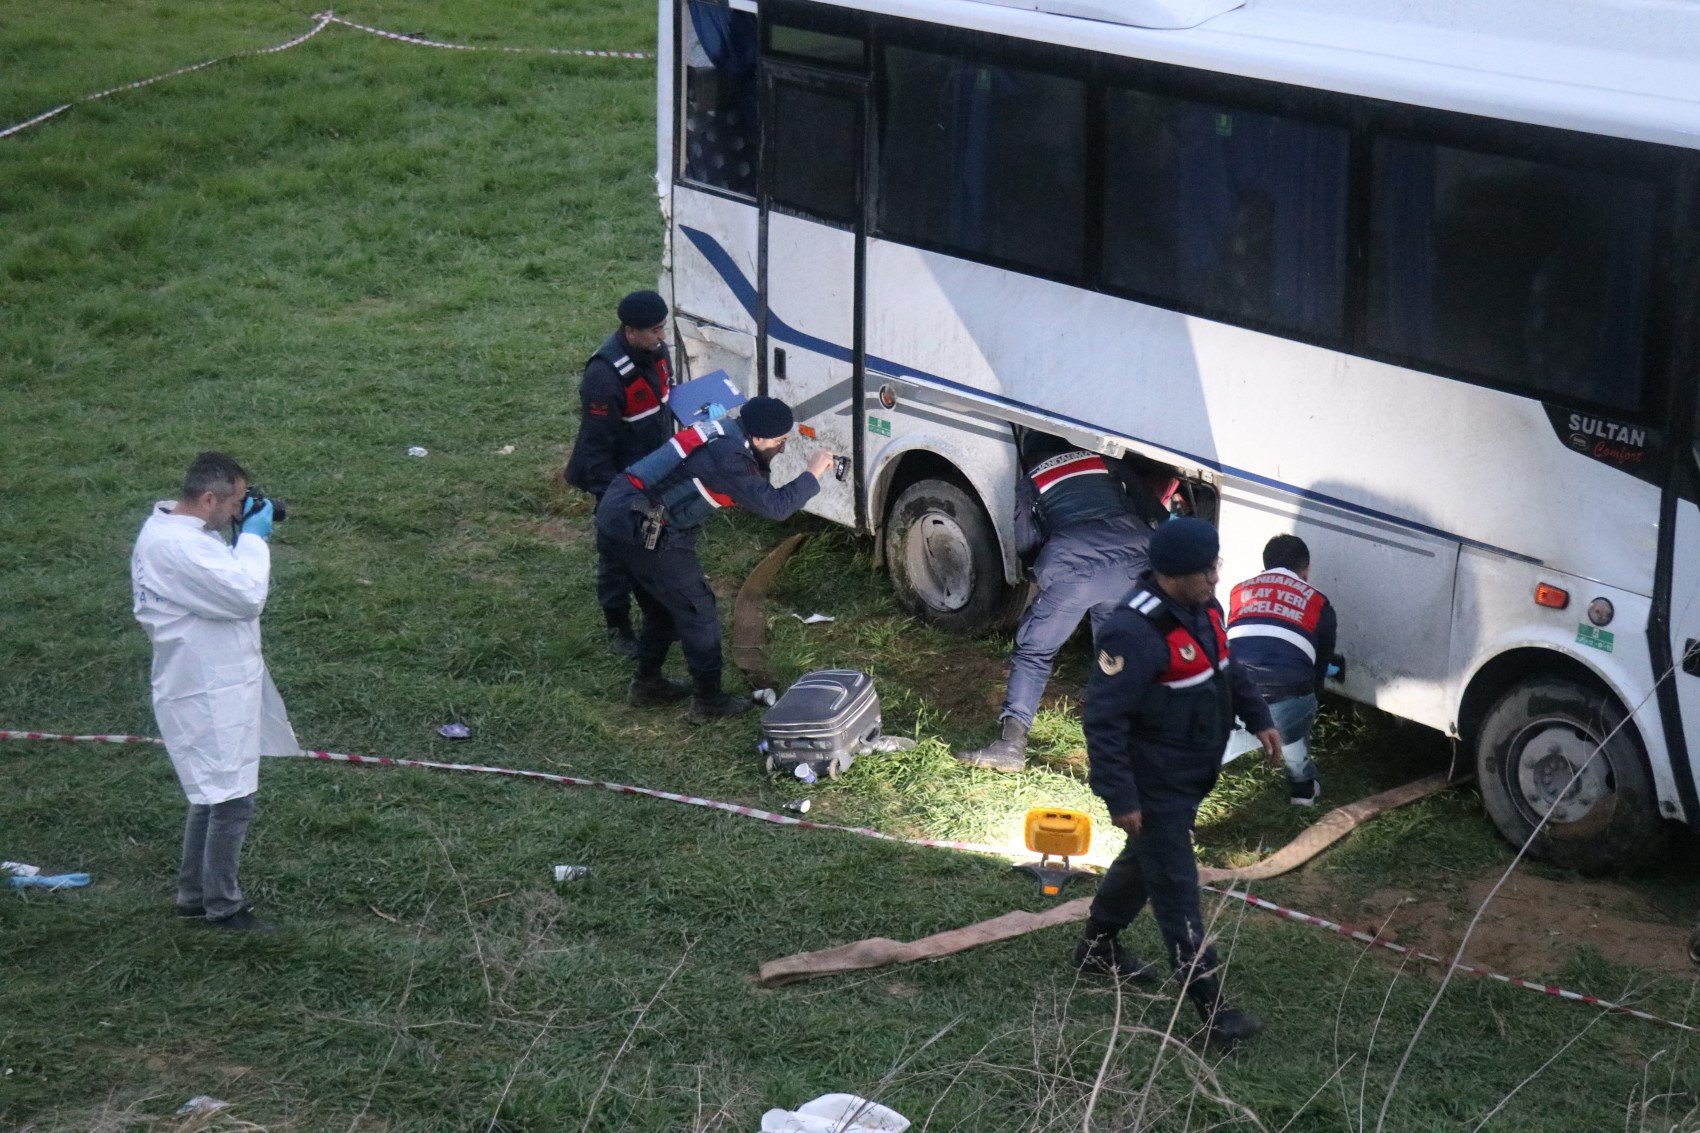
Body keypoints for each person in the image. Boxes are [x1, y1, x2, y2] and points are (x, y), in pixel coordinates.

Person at [1073, 517, 1278, 1046]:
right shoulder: (1133, 631)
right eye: (1205, 571)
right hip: (1155, 783)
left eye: (1216, 566)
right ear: (1172, 574)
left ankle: (1097, 948)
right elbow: (1103, 718)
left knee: (1144, 864)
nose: (1215, 578)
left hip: (1190, 774)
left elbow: (1225, 669)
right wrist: (1121, 796)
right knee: (1178, 893)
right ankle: (1215, 1016)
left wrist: (1259, 718)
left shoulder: (1205, 608)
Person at [130, 452, 299, 934]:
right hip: (205, 687)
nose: (240, 512)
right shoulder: (178, 548)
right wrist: (254, 539)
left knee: (211, 791)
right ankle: (223, 907)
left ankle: (192, 895)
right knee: (230, 799)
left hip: (210, 678)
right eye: (238, 503)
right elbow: (246, 595)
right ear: (209, 498)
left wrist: (242, 534)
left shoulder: (178, 534)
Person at [595, 396, 834, 721]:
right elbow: (776, 506)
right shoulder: (727, 458)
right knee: (699, 609)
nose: (781, 448)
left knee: (663, 605)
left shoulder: (724, 432)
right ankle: (708, 702)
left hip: (620, 510)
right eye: (779, 441)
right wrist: (812, 472)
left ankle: (647, 684)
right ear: (759, 437)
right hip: (642, 528)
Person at [958, 432, 1172, 772]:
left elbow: (1026, 544)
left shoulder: (1031, 480)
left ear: (1031, 455)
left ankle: (1011, 745)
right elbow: (1156, 514)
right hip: (1135, 562)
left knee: (1035, 651)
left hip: (1073, 568)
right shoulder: (1107, 463)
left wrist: (1047, 576)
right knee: (1113, 656)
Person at [565, 290, 677, 657]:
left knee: (655, 542)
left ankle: (656, 614)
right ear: (630, 331)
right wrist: (616, 497)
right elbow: (596, 448)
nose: (662, 337)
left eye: (663, 328)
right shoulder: (604, 376)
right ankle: (618, 625)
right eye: (655, 330)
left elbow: (663, 401)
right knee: (616, 553)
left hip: (653, 468)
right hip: (616, 477)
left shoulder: (654, 352)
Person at [1222, 535, 1338, 805]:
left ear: (1264, 568)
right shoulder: (1320, 603)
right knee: (1294, 717)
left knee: (1212, 749)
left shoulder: (1239, 591)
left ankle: (1183, 816)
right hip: (1288, 704)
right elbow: (1319, 669)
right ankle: (1302, 789)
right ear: (1305, 571)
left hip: (1234, 697)